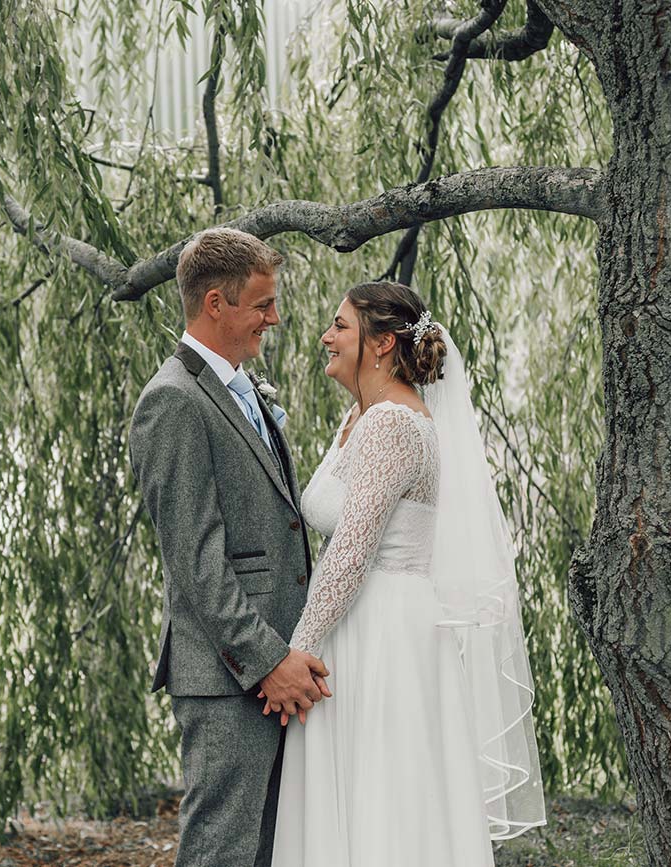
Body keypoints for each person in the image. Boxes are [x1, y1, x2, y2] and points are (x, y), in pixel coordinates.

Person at [268, 281, 547, 866]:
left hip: (384, 631)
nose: (326, 336)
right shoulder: (361, 416)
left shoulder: (393, 424)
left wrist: (298, 651)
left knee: (387, 798)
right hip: (354, 621)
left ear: (382, 343)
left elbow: (352, 550)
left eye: (340, 326)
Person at [129, 227, 330, 867]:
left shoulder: (241, 386)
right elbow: (198, 562)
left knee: (271, 851)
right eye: (262, 304)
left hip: (272, 666)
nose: (275, 318)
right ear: (216, 304)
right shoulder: (172, 401)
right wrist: (268, 659)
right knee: (223, 851)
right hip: (228, 675)